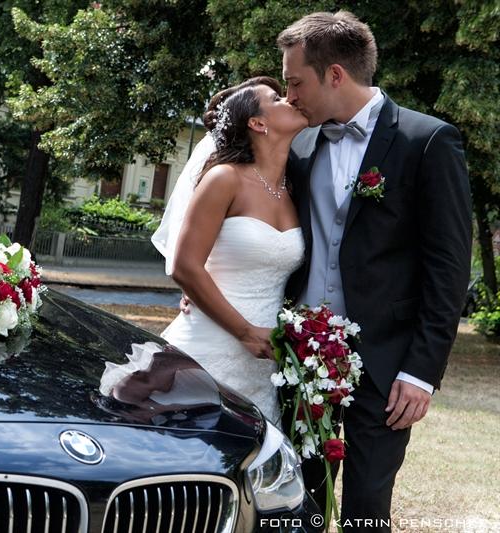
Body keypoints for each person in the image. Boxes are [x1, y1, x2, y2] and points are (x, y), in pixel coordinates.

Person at [278, 11, 471, 531]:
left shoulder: (426, 141)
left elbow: (449, 267)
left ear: (335, 74)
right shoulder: (298, 144)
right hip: (300, 357)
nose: (289, 96)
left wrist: (421, 373)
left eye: (296, 82)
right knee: (298, 505)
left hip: (386, 362)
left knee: (366, 508)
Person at [153, 77, 309, 424]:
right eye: (276, 98)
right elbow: (185, 266)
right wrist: (244, 331)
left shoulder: (296, 188)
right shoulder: (224, 179)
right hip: (211, 345)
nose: (289, 100)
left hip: (265, 363)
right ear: (258, 123)